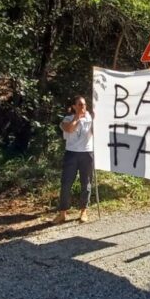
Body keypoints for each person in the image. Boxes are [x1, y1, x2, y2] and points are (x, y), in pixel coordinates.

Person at [54, 96, 94, 224]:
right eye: (80, 105)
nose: (83, 107)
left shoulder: (91, 118)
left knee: (86, 183)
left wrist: (95, 120)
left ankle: (83, 211)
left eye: (84, 105)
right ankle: (63, 213)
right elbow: (69, 129)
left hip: (87, 153)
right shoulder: (67, 119)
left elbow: (97, 132)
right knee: (66, 183)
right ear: (74, 107)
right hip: (71, 154)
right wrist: (77, 117)